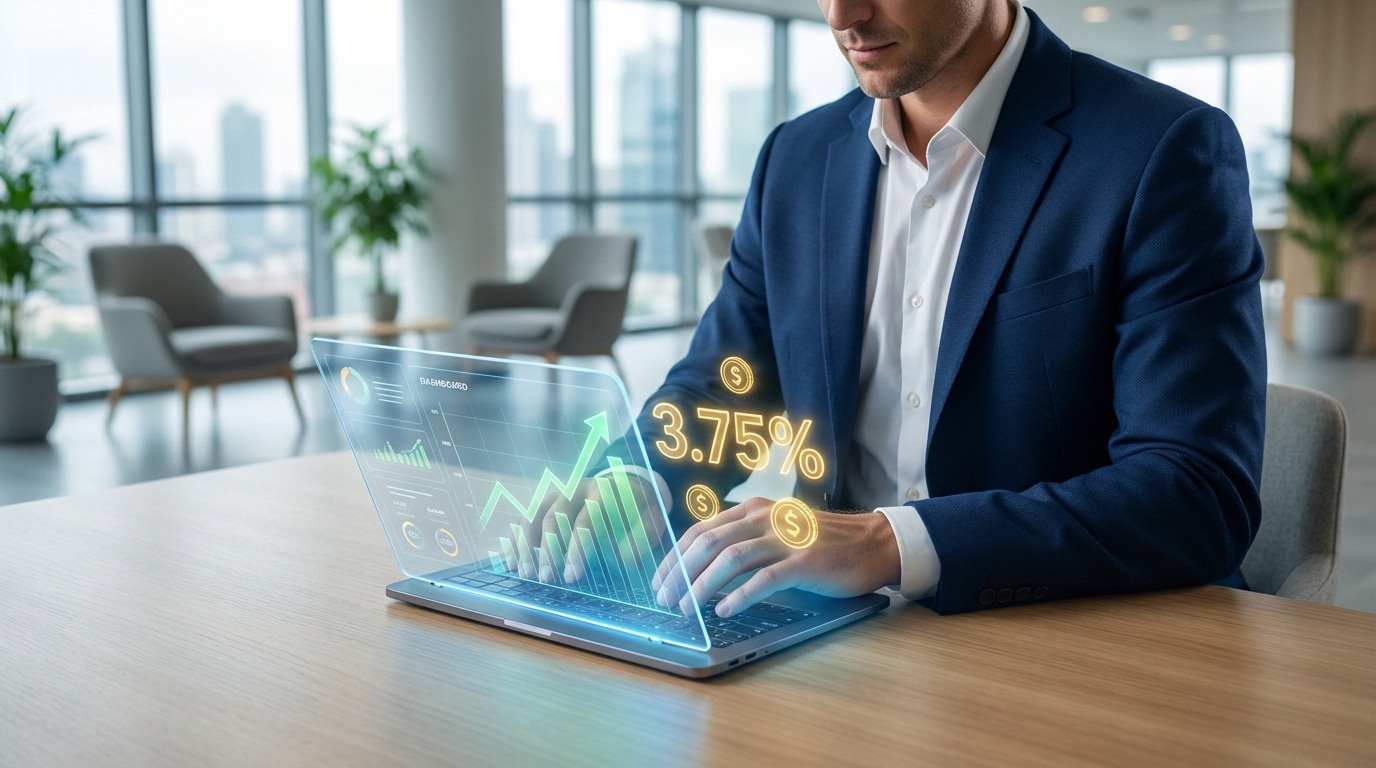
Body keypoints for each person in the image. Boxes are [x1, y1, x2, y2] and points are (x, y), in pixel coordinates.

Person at [544, 0, 1266, 620]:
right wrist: (637, 484)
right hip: (837, 639)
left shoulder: (1160, 151)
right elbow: (723, 389)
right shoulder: (795, 160)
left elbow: (1196, 491)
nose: (842, 16)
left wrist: (889, 542)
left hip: (1065, 635)